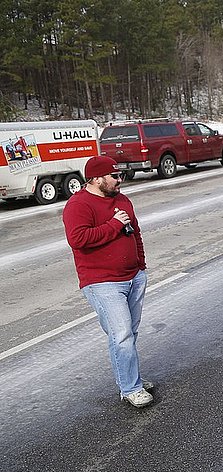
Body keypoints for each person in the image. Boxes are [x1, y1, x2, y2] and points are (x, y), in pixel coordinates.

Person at [62, 156, 153, 408]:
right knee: (121, 335)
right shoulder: (78, 204)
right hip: (102, 282)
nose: (119, 180)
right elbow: (78, 239)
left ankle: (129, 378)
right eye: (114, 176)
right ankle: (131, 388)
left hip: (133, 276)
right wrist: (113, 225)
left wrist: (140, 266)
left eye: (120, 175)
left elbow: (135, 232)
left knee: (128, 334)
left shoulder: (122, 199)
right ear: (97, 178)